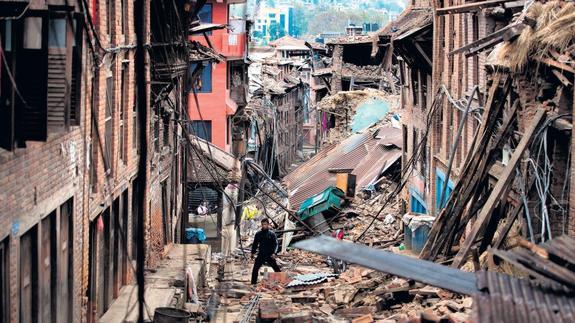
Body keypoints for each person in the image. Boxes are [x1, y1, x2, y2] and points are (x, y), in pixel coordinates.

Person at [250, 218, 281, 284]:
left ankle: (281, 281)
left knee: (276, 269)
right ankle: (253, 284)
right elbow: (255, 244)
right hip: (261, 254)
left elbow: (276, 244)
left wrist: (274, 253)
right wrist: (252, 253)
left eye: (265, 224)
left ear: (268, 225)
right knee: (255, 269)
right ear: (261, 225)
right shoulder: (258, 234)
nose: (264, 226)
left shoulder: (272, 234)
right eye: (263, 224)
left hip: (270, 254)